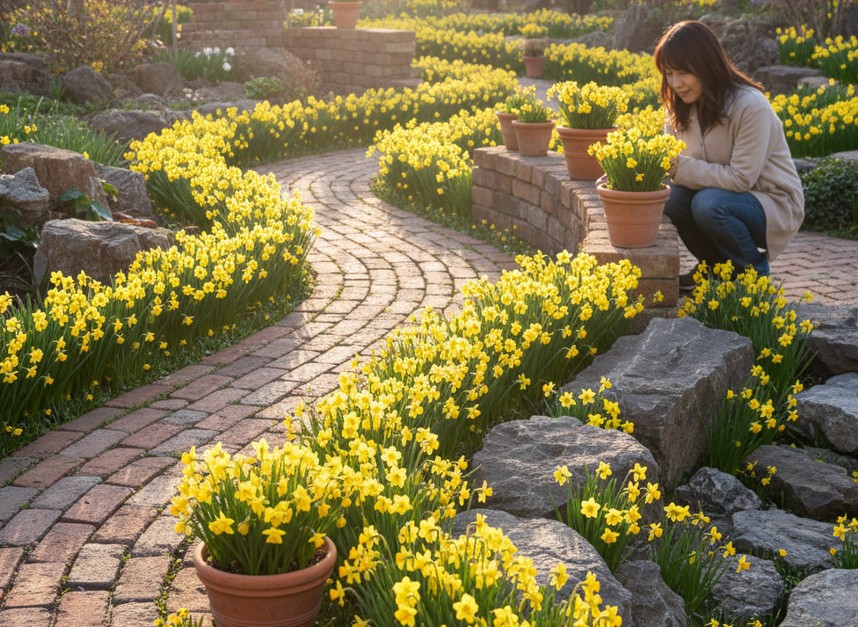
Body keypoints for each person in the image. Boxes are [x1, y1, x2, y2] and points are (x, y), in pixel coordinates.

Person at [654, 20, 804, 290]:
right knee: (672, 199)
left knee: (708, 204)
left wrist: (679, 168)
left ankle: (753, 275)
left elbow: (741, 179)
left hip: (771, 201)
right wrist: (632, 176)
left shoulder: (750, 106)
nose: (675, 83)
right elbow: (672, 167)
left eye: (683, 72)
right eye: (668, 73)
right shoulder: (679, 108)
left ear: (705, 65)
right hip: (716, 195)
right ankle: (714, 268)